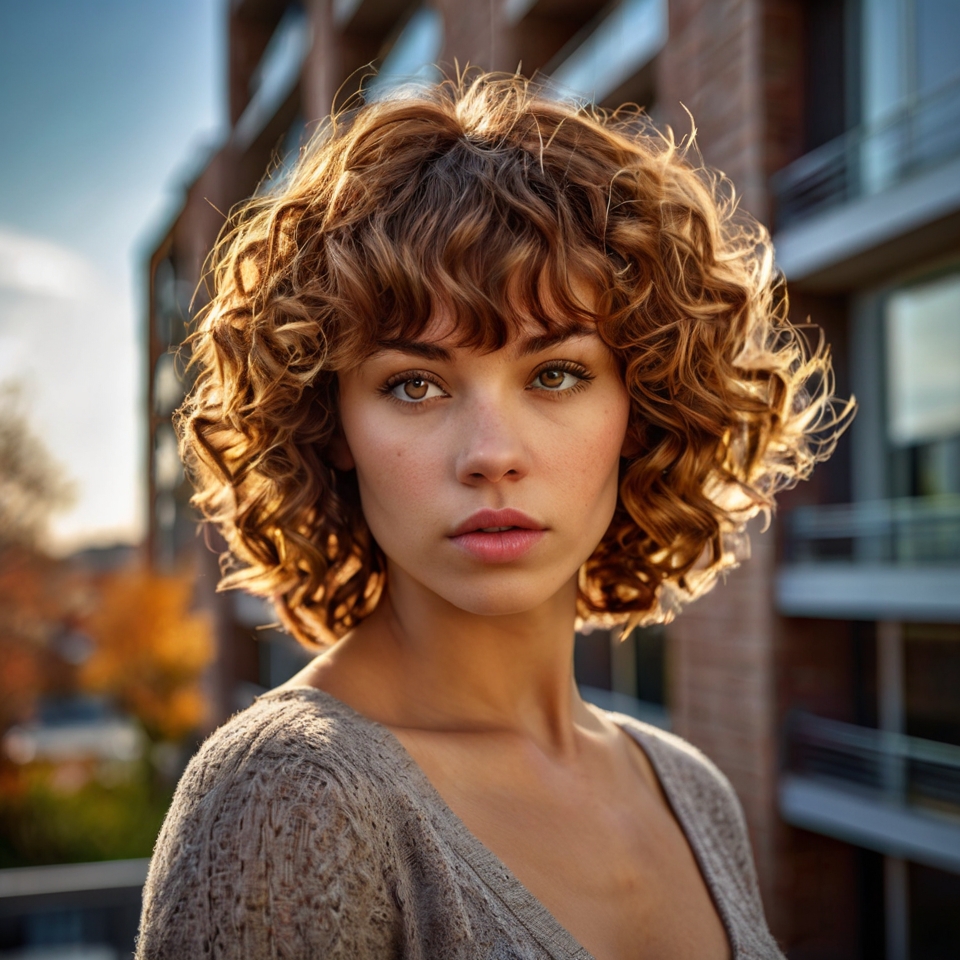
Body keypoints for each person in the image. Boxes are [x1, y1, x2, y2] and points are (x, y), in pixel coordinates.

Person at [135, 72, 849, 960]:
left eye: (556, 374)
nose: (491, 453)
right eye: (415, 384)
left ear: (643, 405)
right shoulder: (289, 794)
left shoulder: (691, 792)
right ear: (333, 425)